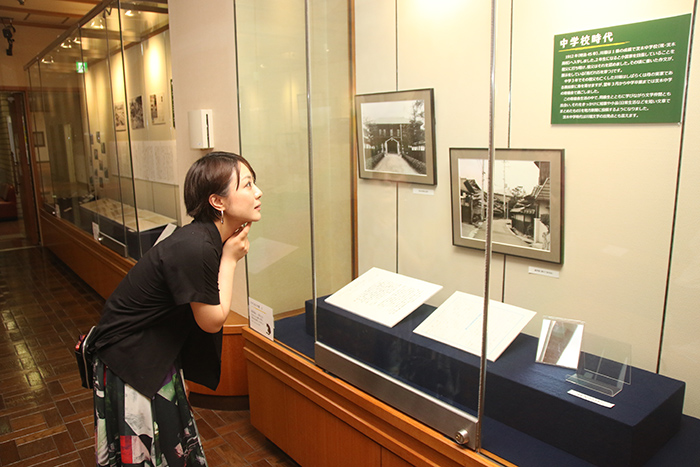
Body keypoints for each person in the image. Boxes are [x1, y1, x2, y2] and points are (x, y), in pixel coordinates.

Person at [87, 151, 262, 467]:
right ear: (217, 201)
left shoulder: (204, 237)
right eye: (247, 185)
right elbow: (212, 320)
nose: (258, 192)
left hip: (155, 353)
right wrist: (230, 260)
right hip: (131, 359)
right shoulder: (197, 245)